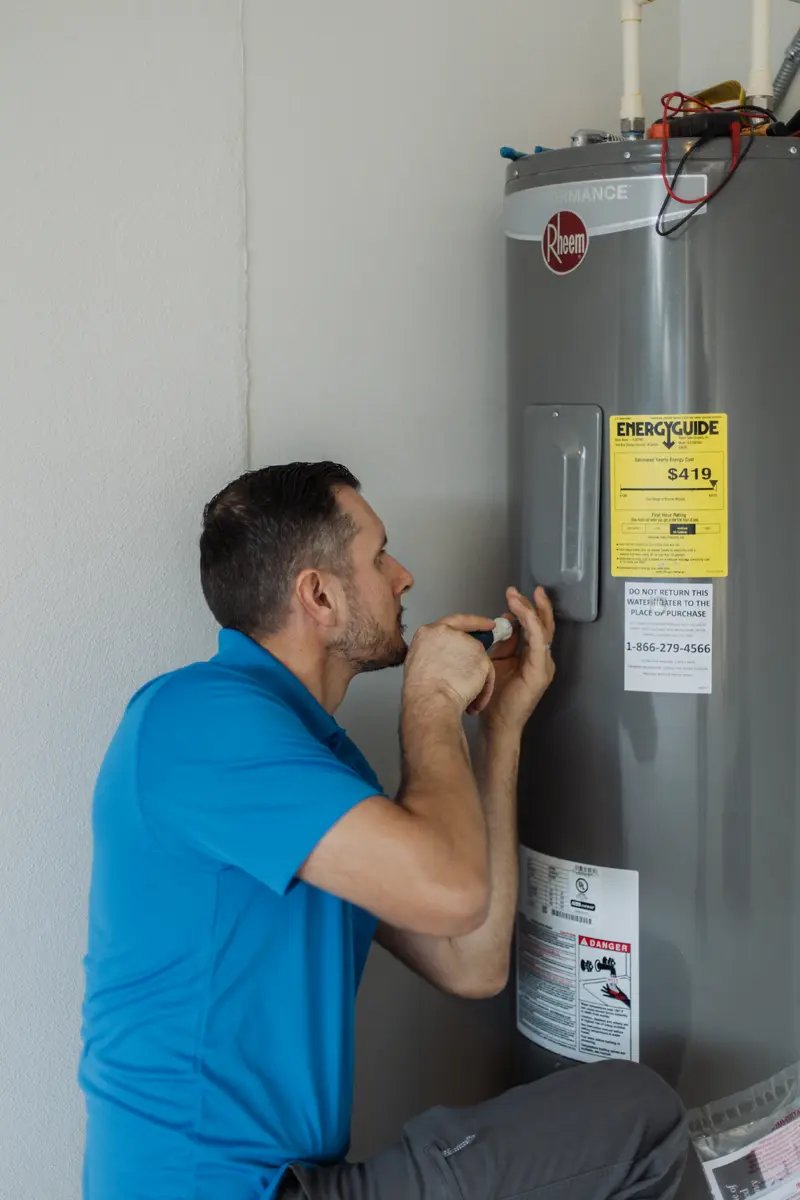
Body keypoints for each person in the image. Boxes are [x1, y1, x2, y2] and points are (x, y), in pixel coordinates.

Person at [79, 461, 688, 1200]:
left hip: (298, 1183)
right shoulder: (197, 720)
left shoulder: (316, 763)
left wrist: (498, 731)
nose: (403, 577)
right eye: (379, 556)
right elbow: (452, 893)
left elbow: (471, 959)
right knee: (638, 1114)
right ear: (319, 595)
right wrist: (430, 699)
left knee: (620, 1114)